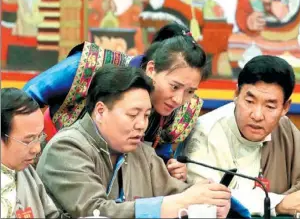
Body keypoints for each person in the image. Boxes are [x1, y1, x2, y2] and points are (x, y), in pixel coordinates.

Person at [36, 65, 231, 218]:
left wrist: (209, 201)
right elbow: (94, 212)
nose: (142, 125)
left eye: (146, 115)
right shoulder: (66, 148)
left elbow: (178, 193)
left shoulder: (142, 153)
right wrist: (179, 203)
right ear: (101, 111)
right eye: (133, 114)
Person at [23, 23, 208, 181]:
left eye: (190, 91)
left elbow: (159, 158)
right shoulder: (92, 65)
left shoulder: (182, 111)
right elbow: (25, 98)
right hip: (46, 168)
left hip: (117, 192)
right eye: (174, 87)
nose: (179, 99)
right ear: (151, 69)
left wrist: (170, 171)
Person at [179, 55, 300, 217]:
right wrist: (280, 203)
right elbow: (206, 198)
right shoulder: (205, 131)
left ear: (285, 107)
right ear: (236, 94)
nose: (257, 115)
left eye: (270, 106)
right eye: (250, 101)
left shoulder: (283, 128)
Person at [1, 88, 59, 218]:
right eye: (28, 140)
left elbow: (51, 215)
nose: (37, 149)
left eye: (39, 137)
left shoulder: (26, 172)